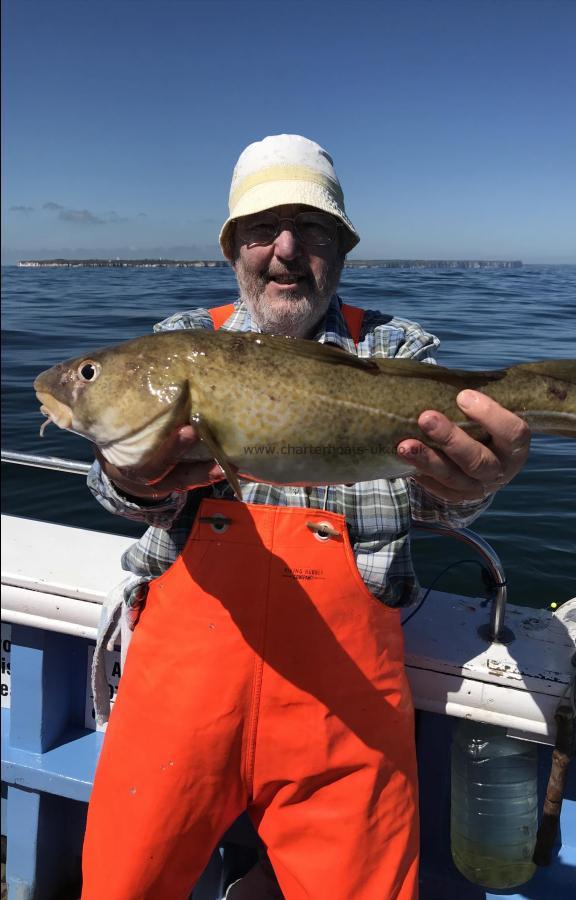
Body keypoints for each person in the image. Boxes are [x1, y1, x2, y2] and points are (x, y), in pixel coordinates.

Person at [81, 134, 530, 899]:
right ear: (233, 249)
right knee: (123, 883)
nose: (286, 252)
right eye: (262, 231)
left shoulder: (396, 352)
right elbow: (121, 492)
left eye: (312, 231)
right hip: (177, 695)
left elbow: (430, 496)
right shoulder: (175, 346)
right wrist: (132, 474)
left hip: (346, 709)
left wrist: (468, 487)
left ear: (342, 249)